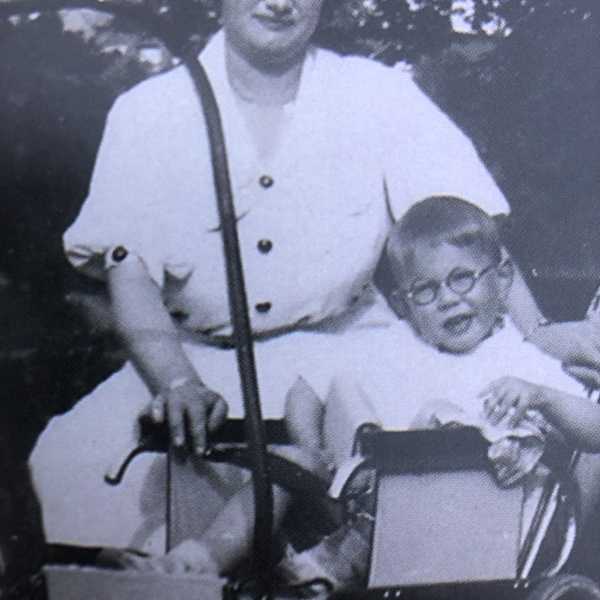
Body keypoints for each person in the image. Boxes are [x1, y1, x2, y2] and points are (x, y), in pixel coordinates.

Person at [29, 0, 600, 554]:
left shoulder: (377, 94)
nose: (280, 3)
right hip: (199, 362)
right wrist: (176, 382)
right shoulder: (149, 110)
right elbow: (129, 273)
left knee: (444, 468)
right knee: (74, 466)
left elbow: (466, 231)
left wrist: (534, 336)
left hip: (352, 349)